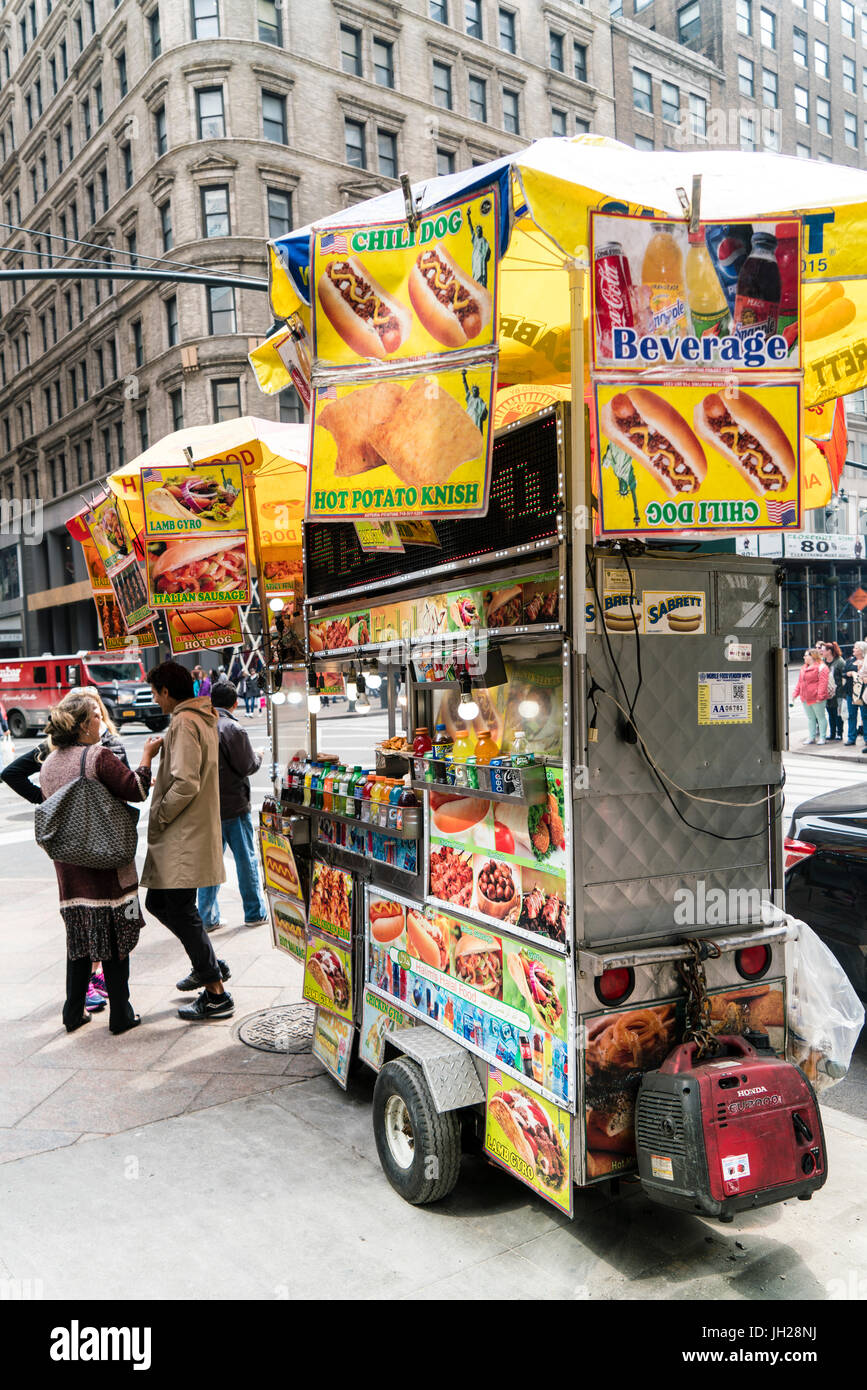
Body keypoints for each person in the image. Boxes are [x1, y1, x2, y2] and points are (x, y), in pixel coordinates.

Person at [39, 695, 160, 1034]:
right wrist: (148, 756)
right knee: (117, 942)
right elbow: (136, 789)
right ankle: (121, 1014)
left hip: (69, 872)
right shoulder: (98, 756)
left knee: (79, 942)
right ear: (82, 725)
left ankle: (73, 1013)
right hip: (107, 868)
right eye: (95, 715)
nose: (101, 721)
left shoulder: (48, 763)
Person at [141, 660, 234, 1020]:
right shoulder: (200, 717)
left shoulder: (184, 720)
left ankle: (215, 993)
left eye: (155, 692)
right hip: (190, 833)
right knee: (161, 905)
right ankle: (207, 963)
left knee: (177, 908)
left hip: (183, 835)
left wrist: (160, 812)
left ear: (166, 691)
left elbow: (186, 782)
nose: (155, 699)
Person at [197, 682, 269, 930]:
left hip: (207, 808)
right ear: (235, 702)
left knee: (209, 864)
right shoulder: (233, 728)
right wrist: (258, 755)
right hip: (233, 806)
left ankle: (206, 918)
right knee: (245, 860)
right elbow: (247, 765)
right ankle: (254, 912)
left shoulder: (199, 727)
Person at [792, 648, 831, 746]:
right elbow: (800, 683)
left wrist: (820, 696)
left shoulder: (822, 667)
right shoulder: (803, 668)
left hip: (817, 698)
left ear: (812, 656)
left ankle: (822, 737)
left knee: (820, 717)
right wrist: (795, 694)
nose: (804, 657)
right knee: (811, 718)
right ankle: (811, 737)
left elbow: (823, 683)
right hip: (805, 697)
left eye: (806, 655)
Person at [841, 642, 866, 746]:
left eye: (856, 648)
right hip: (851, 693)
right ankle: (851, 738)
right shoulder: (850, 661)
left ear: (861, 650)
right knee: (851, 715)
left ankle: (866, 738)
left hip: (863, 693)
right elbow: (843, 673)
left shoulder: (865, 661)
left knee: (865, 716)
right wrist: (848, 674)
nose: (853, 650)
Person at [823, 641, 845, 741]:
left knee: (838, 714)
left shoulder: (840, 662)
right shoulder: (823, 662)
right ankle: (832, 733)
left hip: (838, 693)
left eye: (823, 650)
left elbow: (843, 677)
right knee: (830, 714)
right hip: (827, 693)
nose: (821, 652)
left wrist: (842, 692)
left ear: (829, 651)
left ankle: (839, 733)